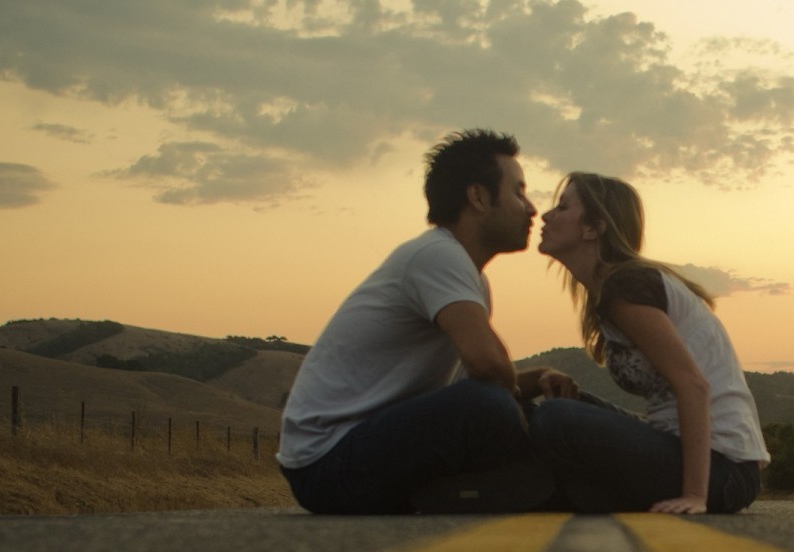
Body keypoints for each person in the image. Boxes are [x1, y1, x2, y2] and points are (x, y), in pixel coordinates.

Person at [276, 129, 579, 514]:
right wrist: (518, 408)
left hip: (355, 449)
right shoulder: (437, 255)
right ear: (479, 197)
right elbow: (487, 367)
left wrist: (534, 380)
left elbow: (468, 383)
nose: (531, 208)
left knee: (501, 404)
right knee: (489, 408)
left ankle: (487, 490)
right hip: (326, 464)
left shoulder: (467, 275)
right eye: (518, 192)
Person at [530, 172, 769, 514]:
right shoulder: (612, 290)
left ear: (593, 228)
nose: (547, 215)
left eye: (563, 207)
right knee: (558, 407)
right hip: (690, 455)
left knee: (556, 419)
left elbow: (693, 384)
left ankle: (575, 494)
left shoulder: (625, 286)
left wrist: (694, 497)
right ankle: (580, 494)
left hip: (723, 471)